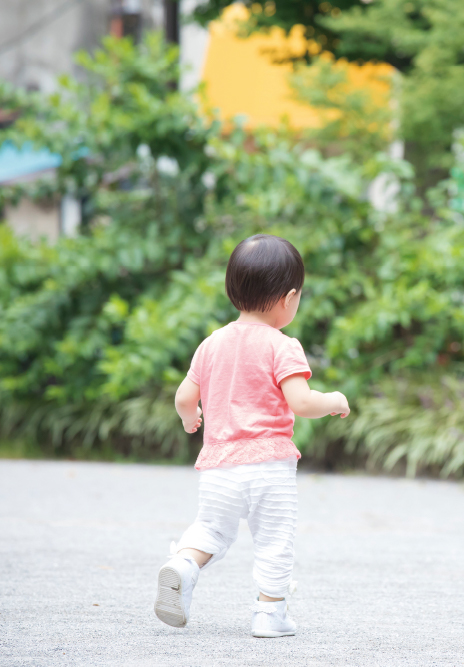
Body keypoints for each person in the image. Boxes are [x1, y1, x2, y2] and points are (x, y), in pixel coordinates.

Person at [153, 234, 350, 638]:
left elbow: (184, 396)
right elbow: (301, 402)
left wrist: (192, 419)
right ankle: (269, 615)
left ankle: (183, 565)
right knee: (275, 538)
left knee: (210, 530)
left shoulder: (211, 344)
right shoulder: (282, 346)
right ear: (289, 298)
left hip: (219, 464)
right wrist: (333, 400)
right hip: (268, 465)